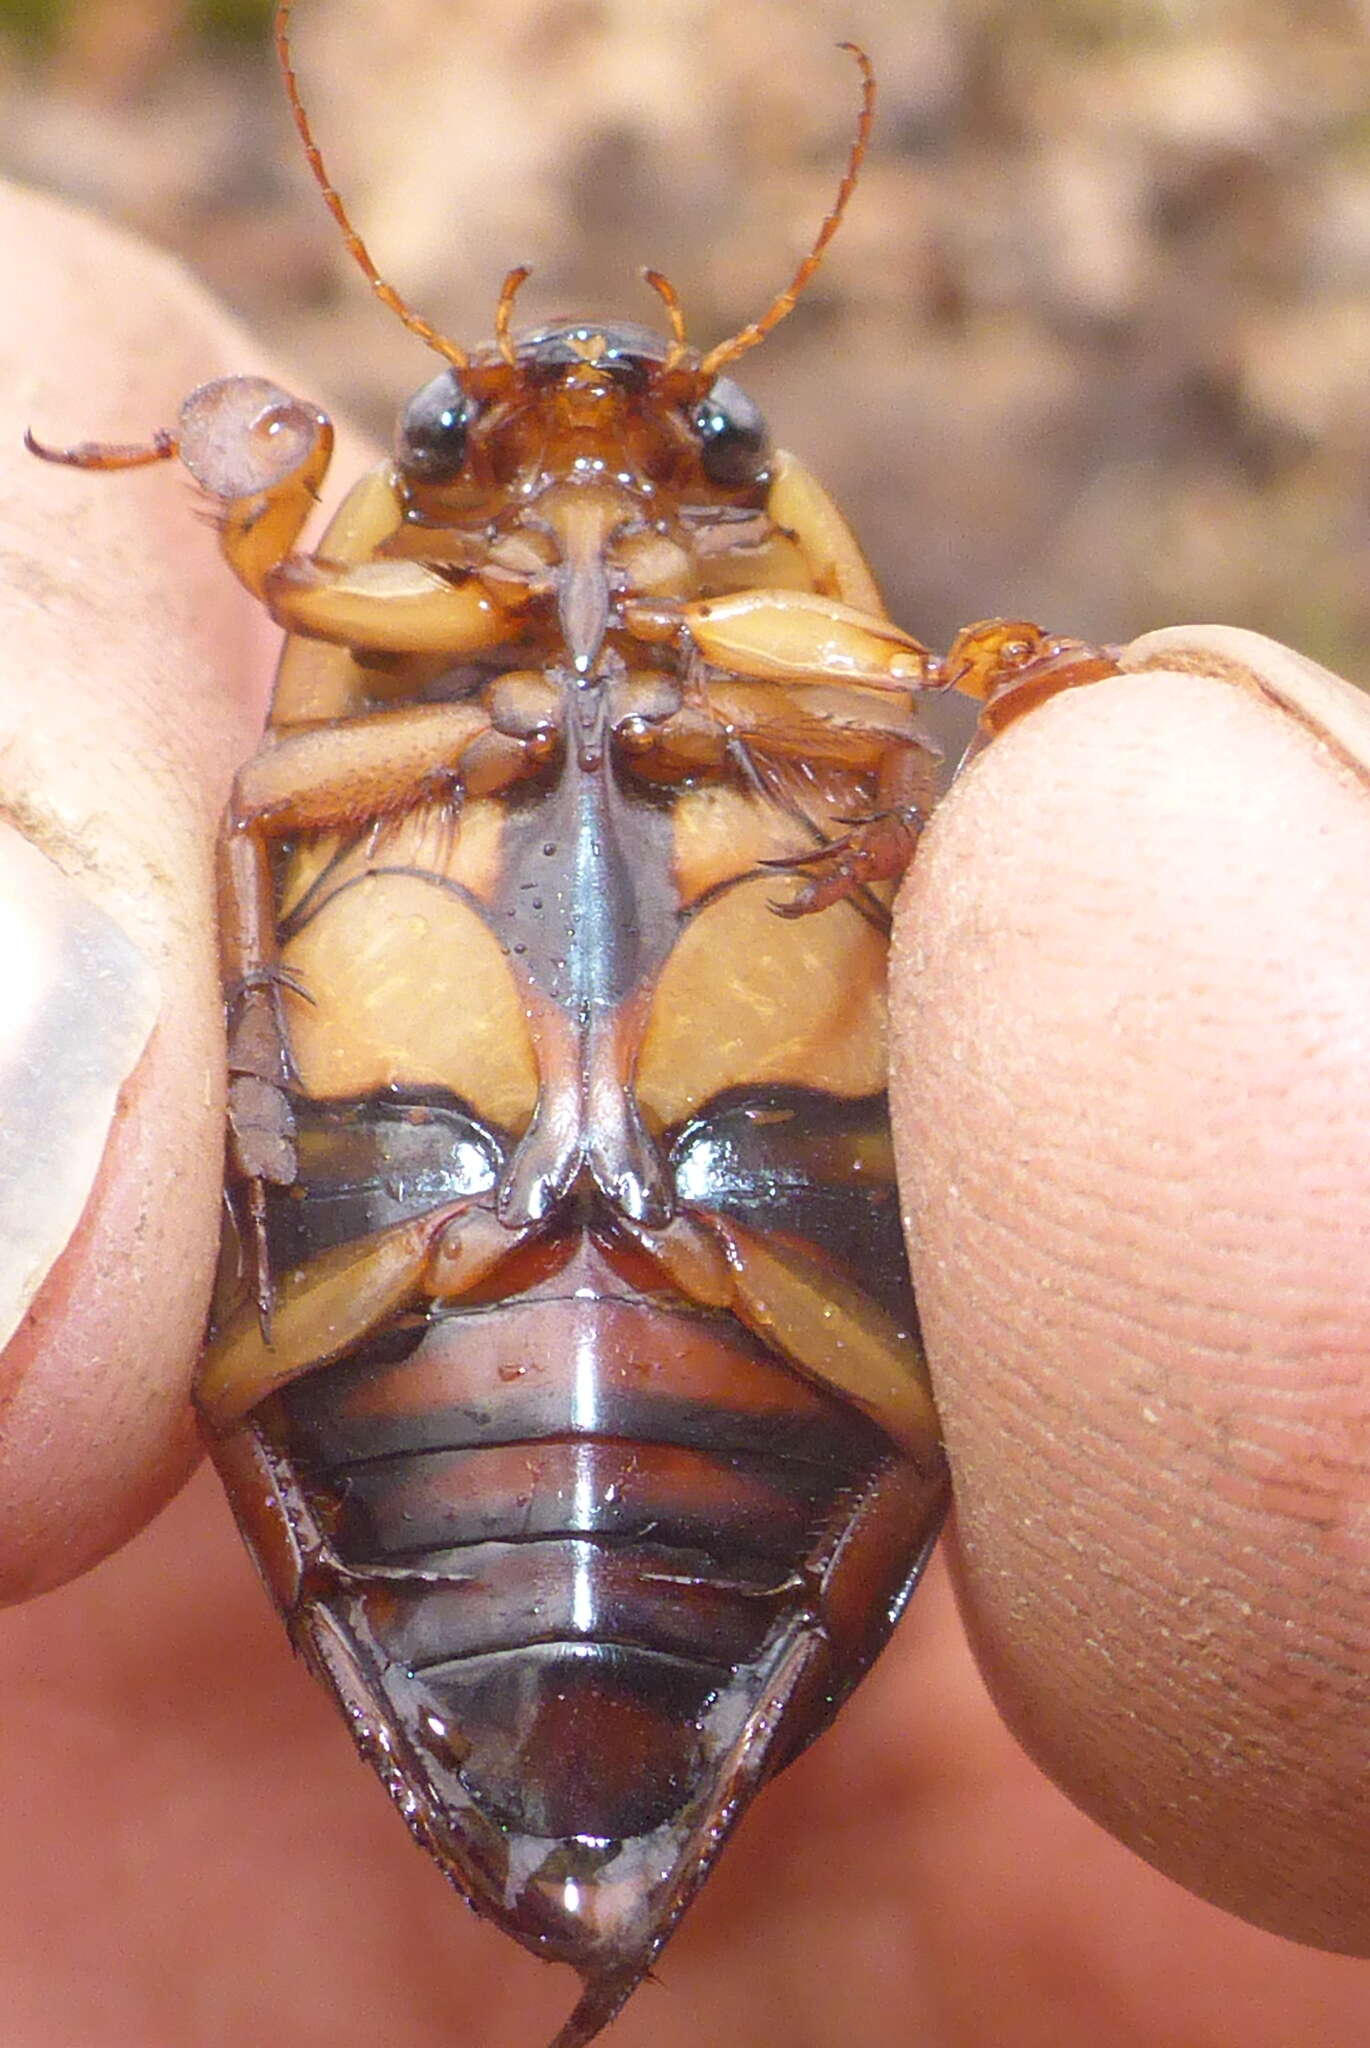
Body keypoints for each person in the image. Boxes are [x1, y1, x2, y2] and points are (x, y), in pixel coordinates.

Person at [0, 176, 1365, 2047]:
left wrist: (993, 704)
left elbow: (907, 713)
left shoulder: (813, 672)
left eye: (697, 438)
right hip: (483, 1342)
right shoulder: (354, 650)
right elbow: (261, 778)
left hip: (668, 1342)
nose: (587, 495)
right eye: (474, 441)